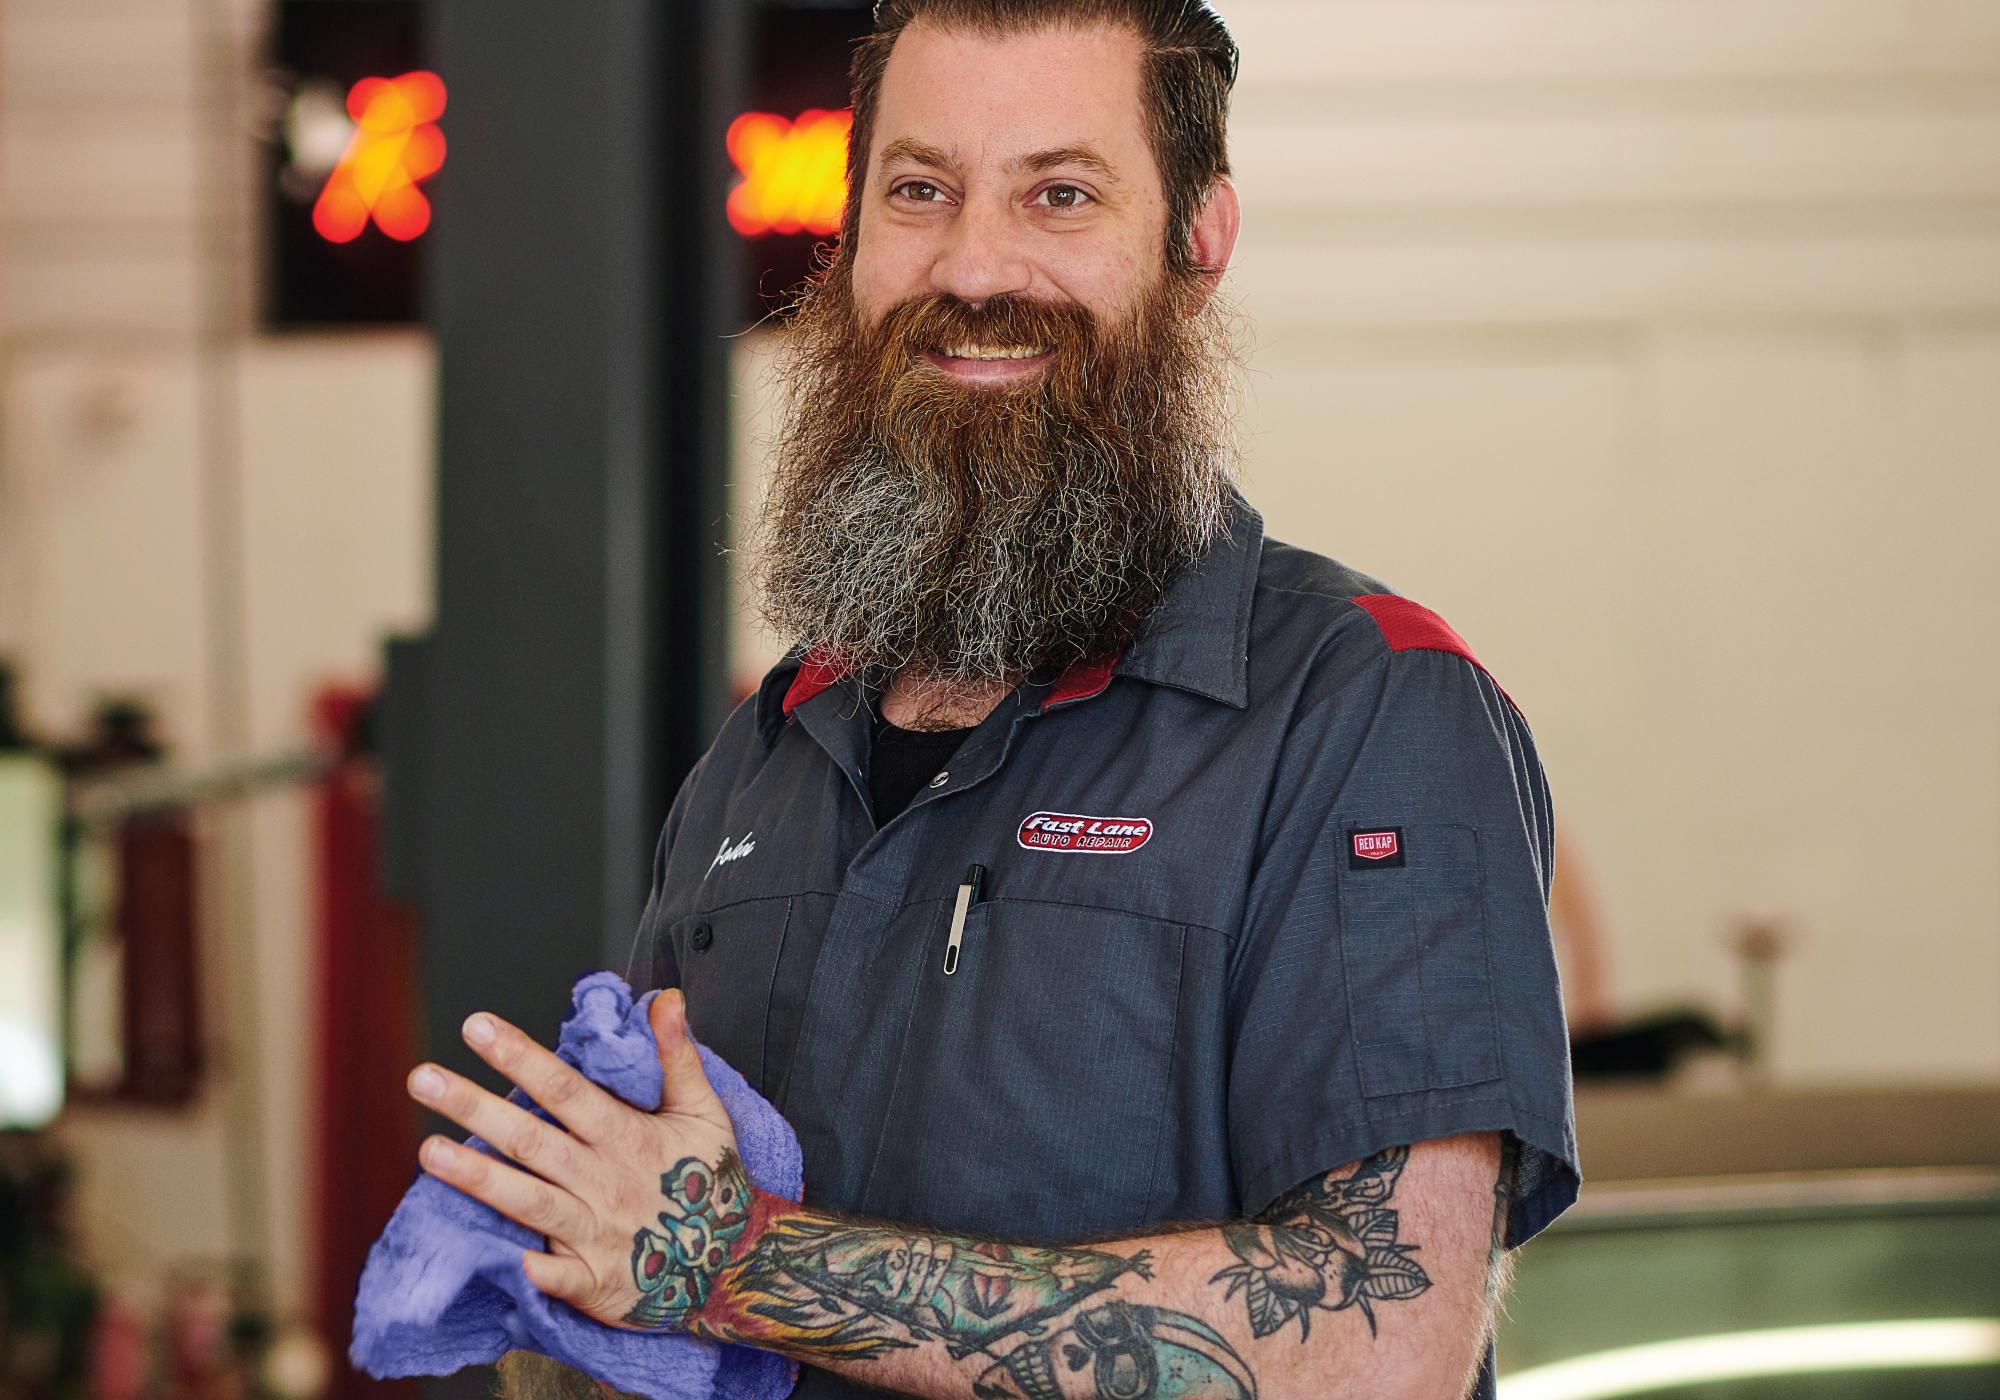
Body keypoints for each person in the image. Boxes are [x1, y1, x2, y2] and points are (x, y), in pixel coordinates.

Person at [404, 1, 1579, 1396]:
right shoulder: (768, 757)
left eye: (1060, 194)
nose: (971, 264)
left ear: (1198, 243)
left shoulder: (1368, 712)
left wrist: (736, 1263)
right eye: (919, 191)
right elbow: (636, 1276)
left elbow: (1380, 1351)